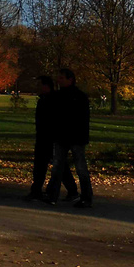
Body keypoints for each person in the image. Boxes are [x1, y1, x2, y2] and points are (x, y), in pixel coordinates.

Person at [44, 67, 93, 209]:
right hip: (63, 136)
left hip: (74, 137)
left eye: (61, 78)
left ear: (69, 80)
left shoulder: (77, 97)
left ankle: (85, 197)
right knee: (59, 167)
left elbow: (81, 119)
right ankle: (53, 195)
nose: (58, 80)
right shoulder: (61, 96)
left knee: (79, 168)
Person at [23, 75, 77, 202]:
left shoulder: (51, 100)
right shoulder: (47, 99)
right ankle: (70, 191)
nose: (37, 88)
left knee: (47, 166)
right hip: (46, 137)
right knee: (54, 166)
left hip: (49, 138)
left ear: (45, 86)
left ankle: (38, 191)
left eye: (39, 85)